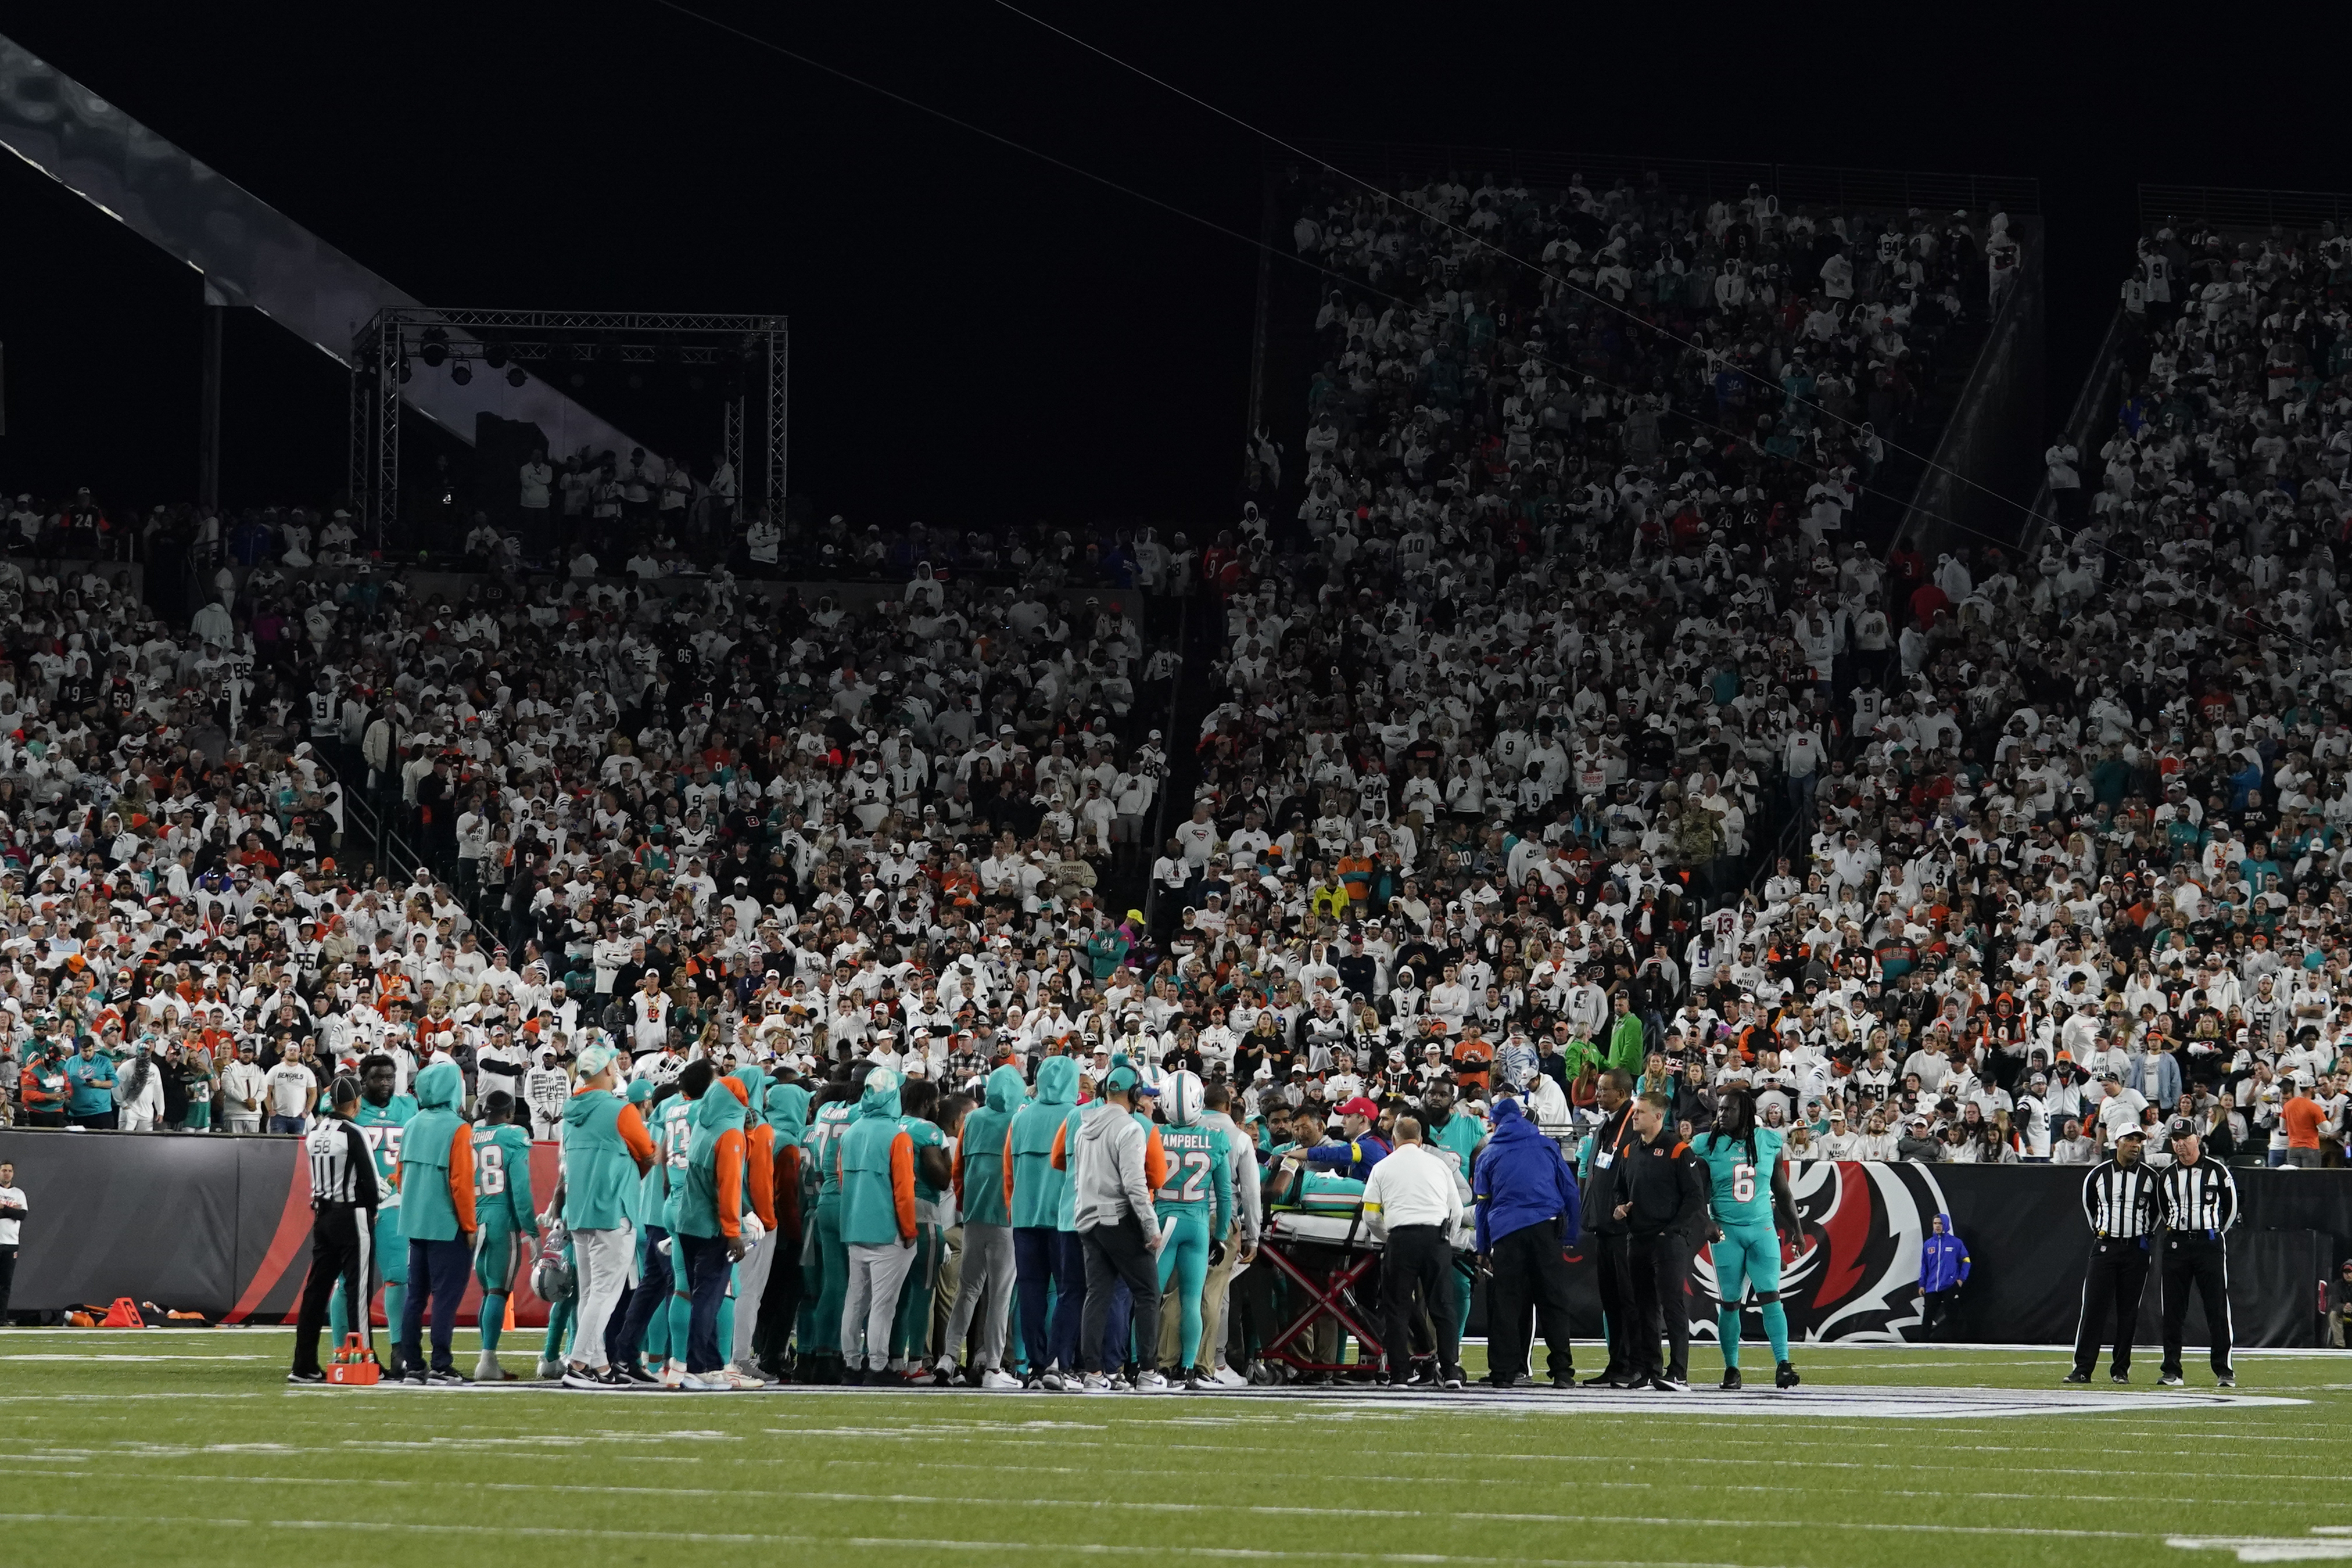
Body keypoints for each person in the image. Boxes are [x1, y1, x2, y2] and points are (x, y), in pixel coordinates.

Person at [558, 1042, 657, 1388]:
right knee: (605, 1293)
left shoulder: (570, 1112)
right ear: (605, 1071)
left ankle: (598, 1365)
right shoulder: (621, 1110)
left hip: (580, 1210)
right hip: (614, 1209)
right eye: (613, 1066)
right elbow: (648, 1153)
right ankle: (579, 1364)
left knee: (590, 1293)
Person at [1067, 1057, 1163, 1392]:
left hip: (1088, 1219)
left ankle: (1093, 1374)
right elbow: (1135, 1185)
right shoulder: (1130, 1127)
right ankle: (1149, 1372)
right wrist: (1151, 1226)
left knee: (1097, 1295)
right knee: (1148, 1293)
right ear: (1133, 1092)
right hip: (1119, 1218)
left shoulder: (1083, 1127)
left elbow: (1080, 1179)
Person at [1694, 1089, 1801, 1388]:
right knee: (1730, 1302)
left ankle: (1783, 1363)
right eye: (1720, 1109)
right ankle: (1731, 1369)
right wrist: (1706, 1221)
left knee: (1771, 1296)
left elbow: (1782, 1191)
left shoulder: (1768, 1141)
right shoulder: (1706, 1144)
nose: (1721, 1114)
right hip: (1727, 1230)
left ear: (1745, 1113)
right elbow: (1693, 1193)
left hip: (1762, 1227)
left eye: (1729, 1110)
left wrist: (1797, 1228)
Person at [1473, 1092, 1580, 1389]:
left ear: (1495, 1123)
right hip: (1546, 1230)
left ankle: (1504, 1373)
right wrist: (1571, 1234)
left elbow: (1483, 1204)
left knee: (1506, 1303)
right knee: (1553, 1301)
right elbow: (1570, 1191)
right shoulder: (1547, 1145)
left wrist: (1483, 1248)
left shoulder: (1488, 1154)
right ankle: (1562, 1371)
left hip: (1507, 1233)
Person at [327, 1055, 417, 1375]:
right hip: (356, 1205)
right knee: (346, 1282)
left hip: (393, 1203)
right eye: (378, 1078)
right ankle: (344, 1348)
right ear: (363, 1081)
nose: (386, 1084)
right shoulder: (347, 1108)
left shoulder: (409, 1108)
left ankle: (399, 1350)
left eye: (390, 1078)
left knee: (399, 1277)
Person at [288, 1077, 382, 1382]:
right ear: (356, 1103)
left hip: (323, 1215)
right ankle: (365, 1357)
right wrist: (374, 1210)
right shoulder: (355, 1132)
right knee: (358, 1289)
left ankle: (303, 1364)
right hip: (352, 1215)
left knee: (316, 1290)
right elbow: (369, 1178)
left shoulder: (315, 1131)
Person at [1363, 1113, 1465, 1390]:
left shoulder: (1383, 1167)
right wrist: (1446, 1239)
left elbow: (1370, 1215)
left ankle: (1399, 1375)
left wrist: (1389, 1237)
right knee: (1443, 1307)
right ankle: (1451, 1371)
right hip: (1435, 1239)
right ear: (1421, 1140)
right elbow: (1456, 1211)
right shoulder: (1439, 1165)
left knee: (1397, 1309)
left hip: (1401, 1239)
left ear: (1394, 1139)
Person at [938, 1063, 1024, 1388]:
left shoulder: (973, 1119)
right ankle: (992, 1365)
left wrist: (964, 1203)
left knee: (967, 1290)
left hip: (974, 1215)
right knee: (1000, 1295)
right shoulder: (1018, 1121)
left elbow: (958, 1168)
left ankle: (949, 1356)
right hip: (1005, 1217)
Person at [1616, 1090, 1706, 1391]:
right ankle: (1648, 1368)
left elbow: (1695, 1196)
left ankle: (1678, 1371)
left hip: (1667, 1240)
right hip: (1637, 1237)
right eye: (1634, 1111)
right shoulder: (1630, 1150)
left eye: (1640, 1111)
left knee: (1672, 1305)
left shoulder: (1679, 1150)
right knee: (1642, 1306)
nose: (1635, 1116)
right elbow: (1620, 1189)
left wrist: (1673, 1230)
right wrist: (1620, 1207)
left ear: (1658, 1115)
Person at [1149, 1069, 1234, 1390]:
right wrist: (1222, 1236)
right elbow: (1224, 1195)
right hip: (1198, 1225)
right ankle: (1187, 1367)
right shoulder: (1215, 1138)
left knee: (1148, 1298)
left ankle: (1140, 1364)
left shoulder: (1154, 1134)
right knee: (1192, 1299)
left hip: (1164, 1223)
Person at [393, 1060, 476, 1384]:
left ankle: (413, 1365)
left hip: (415, 1221)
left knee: (416, 1296)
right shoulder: (458, 1128)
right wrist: (469, 1226)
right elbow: (462, 1182)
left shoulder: (412, 1124)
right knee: (446, 1296)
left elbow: (400, 1175)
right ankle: (441, 1364)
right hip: (447, 1224)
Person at [678, 1071, 762, 1391]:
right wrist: (732, 1231)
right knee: (709, 1299)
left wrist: (749, 1134)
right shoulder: (730, 1134)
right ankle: (697, 1366)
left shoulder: (704, 1123)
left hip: (688, 1221)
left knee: (704, 1297)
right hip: (713, 1226)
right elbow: (729, 1185)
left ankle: (711, 1366)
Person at [836, 1065, 919, 1384]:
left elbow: (842, 1179)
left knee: (855, 1301)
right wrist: (910, 1231)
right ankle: (878, 1366)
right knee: (883, 1305)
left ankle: (852, 1365)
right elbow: (903, 1191)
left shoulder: (853, 1131)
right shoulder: (898, 1136)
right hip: (888, 1231)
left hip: (855, 1227)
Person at [1010, 1054, 1085, 1389]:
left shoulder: (1022, 1118)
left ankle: (1036, 1365)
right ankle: (1060, 1362)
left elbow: (1008, 1170)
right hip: (1063, 1218)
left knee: (1030, 1293)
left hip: (1024, 1216)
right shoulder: (1076, 1117)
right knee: (1070, 1291)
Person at [2068, 1125, 2161, 1384]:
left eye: (2139, 1141)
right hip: (2106, 1248)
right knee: (2094, 1309)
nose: (2136, 1145)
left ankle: (2121, 1370)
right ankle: (2082, 1369)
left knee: (2128, 1312)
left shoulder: (2151, 1177)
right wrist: (2104, 1234)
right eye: (2130, 1140)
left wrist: (2139, 1236)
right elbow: (2090, 1210)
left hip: (2136, 1251)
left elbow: (2155, 1214)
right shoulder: (2097, 1175)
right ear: (2117, 1142)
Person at [2156, 1115, 2238, 1388]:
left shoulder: (2217, 1171)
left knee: (2216, 1307)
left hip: (2209, 1244)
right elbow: (2164, 1210)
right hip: (2177, 1245)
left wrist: (2213, 1233)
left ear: (2197, 1139)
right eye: (2176, 1140)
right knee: (2173, 1310)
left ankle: (2224, 1370)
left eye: (2186, 1139)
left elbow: (2231, 1209)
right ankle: (2172, 1370)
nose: (2181, 1145)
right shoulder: (2166, 1176)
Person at [469, 1089, 539, 1382]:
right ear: (510, 1113)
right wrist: (532, 1229)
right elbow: (520, 1189)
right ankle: (487, 1360)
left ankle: (489, 1358)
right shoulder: (514, 1135)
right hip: (501, 1217)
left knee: (489, 1292)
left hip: (476, 1216)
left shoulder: (471, 1134)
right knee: (498, 1290)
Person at [1576, 1070, 1641, 1386]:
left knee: (1628, 1300)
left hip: (1623, 1229)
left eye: (1604, 1091)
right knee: (1612, 1300)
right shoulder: (1606, 1124)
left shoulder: (1632, 1125)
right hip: (1603, 1225)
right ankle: (1617, 1363)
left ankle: (1634, 1363)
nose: (1598, 1096)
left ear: (1623, 1093)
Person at [1917, 1214, 1970, 1340]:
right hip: (1932, 1286)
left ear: (1946, 1225)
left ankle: (1955, 1345)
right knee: (1928, 1317)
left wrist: (1961, 1279)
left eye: (1940, 1224)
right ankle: (1921, 1345)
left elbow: (1966, 1261)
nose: (1937, 1226)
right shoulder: (1928, 1244)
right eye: (1935, 1223)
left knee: (1952, 1315)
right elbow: (1924, 1266)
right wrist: (1922, 1284)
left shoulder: (1956, 1243)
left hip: (1950, 1284)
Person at [0, 1160, 24, 1324]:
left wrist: (3, 1208)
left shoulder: (19, 1193)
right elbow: (16, 1213)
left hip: (11, 1244)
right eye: (4, 1170)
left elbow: (22, 1215)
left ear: (13, 1173)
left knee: (5, 1284)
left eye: (9, 1170)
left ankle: (1, 1318)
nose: (7, 1173)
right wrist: (12, 1211)